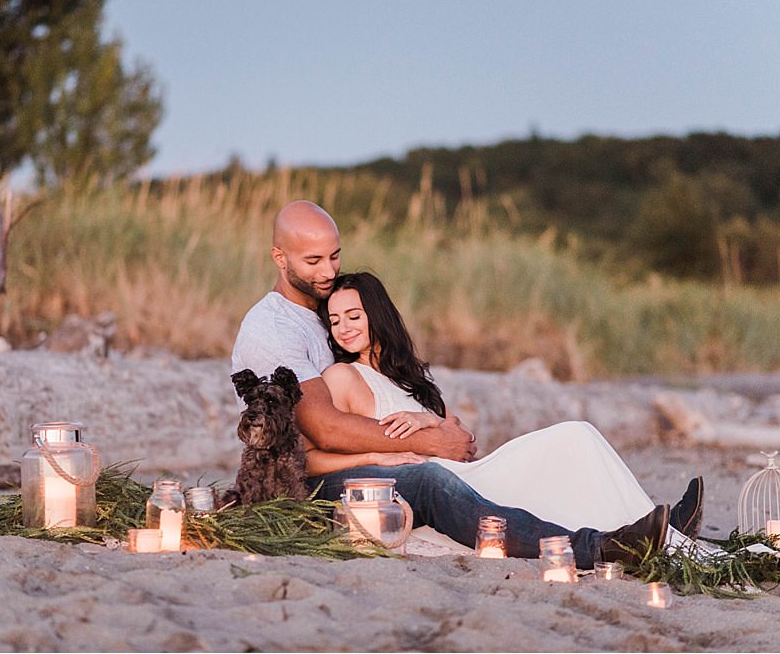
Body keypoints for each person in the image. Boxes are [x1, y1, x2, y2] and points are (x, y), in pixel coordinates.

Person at [231, 200, 687, 567]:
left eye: (334, 256)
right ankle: (598, 549)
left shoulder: (326, 314)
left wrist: (431, 424)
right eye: (313, 261)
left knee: (568, 438)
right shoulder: (272, 328)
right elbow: (324, 428)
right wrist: (432, 443)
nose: (328, 271)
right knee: (428, 480)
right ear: (279, 257)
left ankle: (658, 527)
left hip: (364, 460)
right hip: (304, 484)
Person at [316, 270, 704, 551]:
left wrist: (427, 418)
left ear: (378, 315)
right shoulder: (342, 376)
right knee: (563, 450)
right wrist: (378, 456)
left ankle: (663, 528)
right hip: (436, 487)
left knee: (577, 434)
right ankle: (618, 542)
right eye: (334, 321)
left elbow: (464, 441)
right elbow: (318, 453)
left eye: (354, 316)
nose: (343, 328)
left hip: (464, 471)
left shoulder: (408, 378)